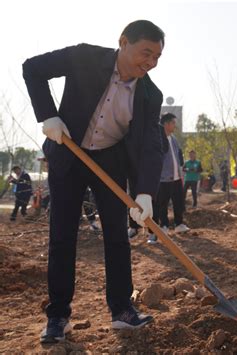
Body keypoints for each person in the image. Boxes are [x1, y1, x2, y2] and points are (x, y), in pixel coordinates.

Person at [23, 20, 168, 343]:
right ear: (123, 42)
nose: (151, 62)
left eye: (158, 57)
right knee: (62, 236)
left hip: (110, 160)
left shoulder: (149, 94)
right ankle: (58, 315)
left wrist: (145, 193)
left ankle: (121, 310)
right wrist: (48, 115)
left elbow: (150, 144)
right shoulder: (85, 57)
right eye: (146, 52)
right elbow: (32, 68)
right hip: (69, 151)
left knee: (117, 236)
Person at [148, 112, 189, 244]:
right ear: (166, 124)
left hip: (177, 177)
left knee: (178, 202)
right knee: (162, 203)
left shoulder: (174, 139)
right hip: (163, 178)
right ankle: (164, 225)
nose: (174, 126)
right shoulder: (158, 138)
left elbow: (178, 155)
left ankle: (179, 224)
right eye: (173, 123)